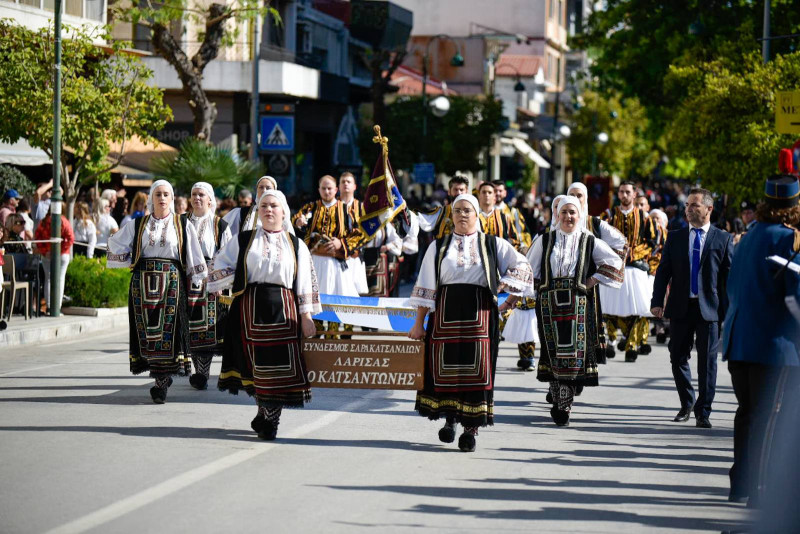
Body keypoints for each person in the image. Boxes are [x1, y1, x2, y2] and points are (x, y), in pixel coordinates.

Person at [408, 194, 532, 452]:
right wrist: (418, 323)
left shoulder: (492, 244)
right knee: (447, 368)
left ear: (477, 215)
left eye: (467, 210)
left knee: (477, 372)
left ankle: (470, 429)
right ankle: (450, 419)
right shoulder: (438, 246)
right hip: (445, 312)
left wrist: (507, 292)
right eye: (457, 211)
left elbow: (522, 265)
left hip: (480, 314)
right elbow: (426, 286)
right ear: (451, 216)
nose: (462, 215)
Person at [208, 190, 320, 440]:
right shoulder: (244, 239)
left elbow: (304, 282)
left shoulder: (295, 244)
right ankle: (264, 412)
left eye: (274, 206)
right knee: (255, 366)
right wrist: (220, 284)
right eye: (264, 206)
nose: (268, 210)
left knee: (279, 368)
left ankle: (271, 420)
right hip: (249, 308)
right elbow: (220, 264)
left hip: (284, 309)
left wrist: (307, 316)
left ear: (283, 212)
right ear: (258, 211)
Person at [722, 175, 800, 506]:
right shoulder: (789, 241)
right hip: (774, 345)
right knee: (771, 417)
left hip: (740, 340)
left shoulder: (749, 236)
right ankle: (760, 490)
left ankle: (740, 484)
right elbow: (794, 298)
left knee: (748, 414)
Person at [517, 196, 623, 426]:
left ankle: (564, 404)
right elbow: (528, 269)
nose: (568, 217)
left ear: (580, 215)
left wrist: (591, 281)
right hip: (548, 304)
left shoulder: (588, 240)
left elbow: (614, 262)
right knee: (553, 351)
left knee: (572, 353)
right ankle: (557, 397)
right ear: (557, 215)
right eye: (564, 212)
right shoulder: (545, 240)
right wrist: (533, 290)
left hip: (577, 303)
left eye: (573, 212)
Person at [107, 180, 207, 404]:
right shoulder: (138, 224)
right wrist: (127, 258)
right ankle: (161, 376)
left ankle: (160, 383)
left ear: (172, 199)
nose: (162, 198)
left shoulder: (182, 225)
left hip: (171, 283)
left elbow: (194, 256)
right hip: (142, 284)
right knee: (148, 334)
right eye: (158, 194)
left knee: (167, 333)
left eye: (166, 194)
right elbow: (115, 244)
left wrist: (197, 283)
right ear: (151, 198)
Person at [651, 188, 734, 429]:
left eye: (694, 205)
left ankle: (703, 411)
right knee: (677, 356)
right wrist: (657, 302)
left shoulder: (723, 239)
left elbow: (729, 279)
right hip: (680, 306)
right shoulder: (675, 237)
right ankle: (687, 403)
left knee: (707, 362)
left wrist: (729, 312)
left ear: (709, 209)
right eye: (687, 205)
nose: (688, 209)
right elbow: (663, 271)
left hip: (710, 309)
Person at [292, 175, 365, 333]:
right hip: (315, 261)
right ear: (319, 190)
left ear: (336, 190)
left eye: (329, 188)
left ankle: (335, 336)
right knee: (315, 298)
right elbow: (295, 218)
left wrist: (341, 243)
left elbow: (359, 233)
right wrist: (299, 222)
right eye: (323, 188)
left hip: (335, 263)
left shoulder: (345, 209)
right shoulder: (311, 207)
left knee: (336, 300)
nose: (326, 191)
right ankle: (315, 335)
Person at [566, 182, 627, 364]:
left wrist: (597, 275)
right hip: (560, 290)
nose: (576, 199)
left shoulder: (595, 223)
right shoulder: (557, 222)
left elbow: (621, 244)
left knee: (585, 329)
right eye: (572, 195)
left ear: (585, 199)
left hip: (586, 288)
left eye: (579, 196)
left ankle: (581, 371)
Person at [182, 182, 232, 390]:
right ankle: (195, 370)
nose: (197, 198)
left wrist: (220, 281)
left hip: (210, 283)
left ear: (210, 200)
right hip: (185, 280)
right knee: (189, 327)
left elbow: (228, 256)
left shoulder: (220, 225)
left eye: (201, 194)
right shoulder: (180, 222)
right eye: (194, 194)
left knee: (207, 329)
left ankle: (202, 373)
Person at [600, 181, 657, 362]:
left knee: (635, 309)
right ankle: (611, 339)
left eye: (627, 192)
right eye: (621, 192)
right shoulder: (607, 215)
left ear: (634, 195)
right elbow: (598, 239)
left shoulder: (645, 217)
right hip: (614, 267)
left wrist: (634, 252)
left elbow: (652, 243)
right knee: (608, 308)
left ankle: (631, 345)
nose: (624, 195)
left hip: (635, 269)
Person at [34, 208, 75, 313]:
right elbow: (71, 238)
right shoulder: (63, 221)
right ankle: (57, 306)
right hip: (61, 255)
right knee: (60, 279)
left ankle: (48, 306)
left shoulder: (43, 222)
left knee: (48, 279)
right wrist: (60, 251)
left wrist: (44, 251)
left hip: (47, 255)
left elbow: (38, 238)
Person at [338, 171, 368, 296]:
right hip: (337, 257)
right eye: (342, 182)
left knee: (356, 295)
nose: (345, 184)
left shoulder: (362, 208)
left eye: (348, 182)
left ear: (355, 186)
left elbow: (367, 233)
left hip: (355, 257)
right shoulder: (331, 207)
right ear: (338, 187)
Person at [647, 208, 670, 344]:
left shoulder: (668, 235)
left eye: (657, 218)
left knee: (665, 299)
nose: (655, 221)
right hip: (649, 272)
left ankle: (663, 327)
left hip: (664, 273)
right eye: (652, 218)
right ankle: (657, 327)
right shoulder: (647, 236)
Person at [477, 182, 520, 248]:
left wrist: (503, 244)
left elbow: (515, 240)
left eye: (489, 192)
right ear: (479, 195)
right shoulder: (473, 217)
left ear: (494, 196)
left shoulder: (504, 218)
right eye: (484, 192)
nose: (487, 195)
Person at [493, 180, 532, 251]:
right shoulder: (485, 213)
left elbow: (523, 232)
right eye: (495, 191)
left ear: (505, 193)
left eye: (500, 191)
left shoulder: (514, 212)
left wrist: (523, 248)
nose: (498, 193)